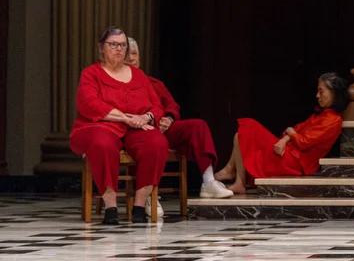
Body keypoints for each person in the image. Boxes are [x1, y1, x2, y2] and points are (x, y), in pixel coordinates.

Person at [70, 27, 171, 226]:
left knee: (156, 142)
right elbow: (89, 103)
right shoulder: (91, 73)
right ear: (102, 47)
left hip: (136, 127)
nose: (119, 49)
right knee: (102, 143)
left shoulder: (138, 75)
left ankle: (139, 206)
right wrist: (125, 118)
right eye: (114, 44)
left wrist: (147, 117)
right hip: (103, 125)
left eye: (123, 45)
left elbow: (157, 105)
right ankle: (111, 208)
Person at [125, 38, 233, 203]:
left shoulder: (154, 83)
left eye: (134, 54)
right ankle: (147, 196)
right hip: (141, 131)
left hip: (164, 129)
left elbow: (172, 105)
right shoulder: (121, 84)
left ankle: (208, 181)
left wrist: (169, 118)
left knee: (197, 126)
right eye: (127, 55)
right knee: (144, 142)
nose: (131, 58)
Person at [214, 74, 348, 193]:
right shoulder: (322, 115)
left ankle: (231, 172)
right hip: (288, 153)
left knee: (249, 125)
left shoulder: (333, 120)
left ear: (334, 93)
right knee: (240, 135)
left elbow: (303, 142)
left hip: (295, 162)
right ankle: (238, 180)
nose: (317, 96)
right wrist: (285, 139)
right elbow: (297, 129)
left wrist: (290, 133)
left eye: (321, 91)